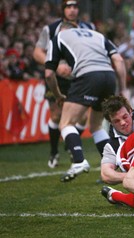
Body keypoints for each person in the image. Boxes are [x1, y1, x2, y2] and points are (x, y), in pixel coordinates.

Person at [44, 21, 127, 182]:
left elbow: (48, 74)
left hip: (87, 77)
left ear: (62, 29)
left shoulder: (58, 37)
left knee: (66, 123)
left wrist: (58, 94)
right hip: (108, 77)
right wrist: (123, 88)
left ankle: (78, 161)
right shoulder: (97, 35)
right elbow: (119, 60)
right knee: (96, 126)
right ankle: (115, 167)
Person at [33, 0, 95, 168]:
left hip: (79, 77)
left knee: (82, 117)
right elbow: (37, 52)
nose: (72, 10)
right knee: (56, 115)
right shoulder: (51, 29)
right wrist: (55, 65)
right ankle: (54, 151)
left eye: (75, 7)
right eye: (69, 6)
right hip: (56, 78)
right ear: (63, 10)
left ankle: (70, 142)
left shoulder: (89, 28)